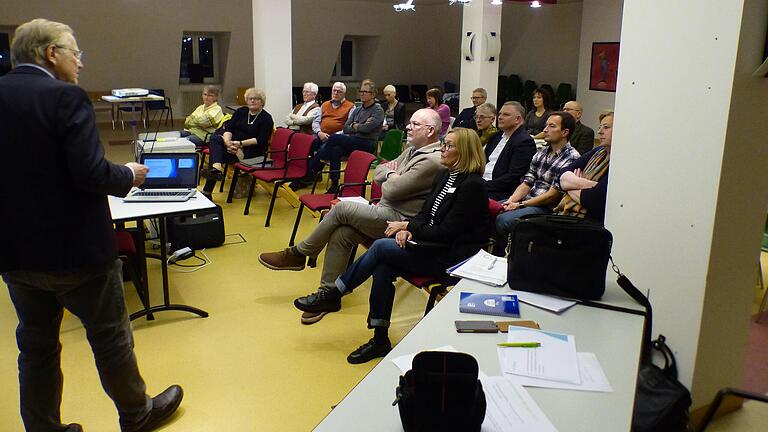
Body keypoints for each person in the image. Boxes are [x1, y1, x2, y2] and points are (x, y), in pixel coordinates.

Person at [0, 18, 182, 432]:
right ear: (51, 53)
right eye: (75, 51)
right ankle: (137, 414)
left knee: (35, 347)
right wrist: (128, 176)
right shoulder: (66, 98)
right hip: (76, 252)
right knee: (110, 336)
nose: (80, 61)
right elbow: (90, 174)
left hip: (14, 253)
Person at [293, 128, 490, 364]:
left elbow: (448, 233)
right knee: (384, 264)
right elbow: (423, 214)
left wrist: (410, 228)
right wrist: (408, 227)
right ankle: (380, 338)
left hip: (450, 257)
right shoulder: (444, 176)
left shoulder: (473, 186)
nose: (443, 150)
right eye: (443, 144)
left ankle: (334, 293)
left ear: (465, 151)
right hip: (430, 244)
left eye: (448, 146)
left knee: (381, 248)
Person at [259, 109, 445, 325]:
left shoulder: (432, 160)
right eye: (410, 123)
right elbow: (379, 171)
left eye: (415, 124)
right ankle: (327, 295)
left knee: (341, 209)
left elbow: (391, 190)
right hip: (383, 209)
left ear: (430, 130)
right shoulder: (413, 149)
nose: (408, 127)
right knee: (343, 232)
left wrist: (391, 176)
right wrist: (391, 174)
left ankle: (300, 253)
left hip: (399, 220)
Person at [493, 111, 581, 255]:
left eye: (552, 126)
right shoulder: (541, 153)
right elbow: (527, 182)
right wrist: (511, 201)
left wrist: (520, 205)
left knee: (503, 220)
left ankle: (506, 256)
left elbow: (552, 195)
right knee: (493, 208)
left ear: (565, 132)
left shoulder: (572, 158)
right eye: (546, 125)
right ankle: (499, 253)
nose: (545, 129)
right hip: (528, 200)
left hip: (547, 208)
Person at [298, 79, 384, 194]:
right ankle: (334, 185)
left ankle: (311, 170)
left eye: (365, 92)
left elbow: (367, 129)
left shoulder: (378, 110)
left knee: (334, 138)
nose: (362, 94)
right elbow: (346, 128)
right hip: (355, 139)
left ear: (373, 94)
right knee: (335, 149)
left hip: (367, 142)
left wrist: (355, 125)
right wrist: (358, 126)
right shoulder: (358, 110)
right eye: (361, 91)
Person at [201, 87, 274, 198]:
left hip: (250, 153)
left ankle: (208, 190)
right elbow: (228, 129)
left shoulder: (266, 118)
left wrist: (239, 144)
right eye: (250, 99)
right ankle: (216, 168)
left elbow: (260, 140)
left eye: (256, 99)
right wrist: (228, 143)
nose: (252, 101)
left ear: (262, 101)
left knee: (216, 154)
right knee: (215, 138)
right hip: (232, 147)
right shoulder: (241, 112)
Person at [288, 81, 355, 191]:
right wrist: (319, 132)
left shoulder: (351, 107)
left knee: (330, 149)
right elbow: (316, 122)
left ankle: (304, 177)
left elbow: (349, 128)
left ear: (344, 93)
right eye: (334, 90)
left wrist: (334, 136)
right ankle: (305, 174)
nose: (336, 93)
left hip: (338, 138)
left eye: (339, 91)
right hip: (320, 134)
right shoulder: (325, 104)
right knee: (308, 143)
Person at [554, 110, 614, 224]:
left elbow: (595, 199)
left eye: (606, 127)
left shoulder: (620, 163)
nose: (600, 131)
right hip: (571, 216)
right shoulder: (598, 151)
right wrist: (589, 184)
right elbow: (561, 175)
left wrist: (571, 186)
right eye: (600, 127)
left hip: (594, 222)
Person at [483, 101, 536, 201]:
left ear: (518, 119)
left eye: (506, 114)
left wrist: (483, 186)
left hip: (500, 191)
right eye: (500, 114)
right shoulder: (496, 137)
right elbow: (483, 162)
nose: (500, 117)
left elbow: (514, 177)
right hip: (482, 183)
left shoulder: (524, 142)